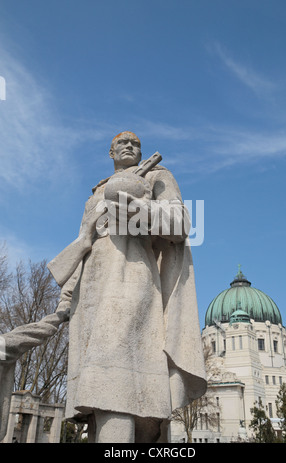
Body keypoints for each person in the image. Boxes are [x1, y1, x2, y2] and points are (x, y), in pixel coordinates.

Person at [48, 131, 206, 443]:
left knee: (117, 383)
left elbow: (180, 222)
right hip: (91, 289)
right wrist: (67, 295)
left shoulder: (156, 175)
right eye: (123, 142)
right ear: (111, 152)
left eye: (135, 142)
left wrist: (135, 208)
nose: (130, 145)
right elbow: (84, 243)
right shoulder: (97, 192)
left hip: (131, 276)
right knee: (99, 394)